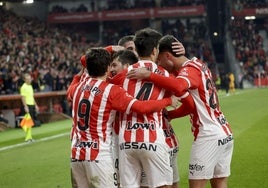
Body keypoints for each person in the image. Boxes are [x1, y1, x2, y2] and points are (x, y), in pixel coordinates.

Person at [127, 35, 234, 188]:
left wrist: (149, 75)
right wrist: (171, 115)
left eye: (160, 59)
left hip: (208, 134)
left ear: (167, 55)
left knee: (196, 184)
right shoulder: (198, 64)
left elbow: (178, 86)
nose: (159, 64)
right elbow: (191, 106)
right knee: (219, 181)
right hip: (224, 132)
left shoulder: (189, 70)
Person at [67, 47, 178, 188]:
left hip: (76, 155)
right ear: (107, 68)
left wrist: (109, 49)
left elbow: (83, 61)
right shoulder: (111, 90)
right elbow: (141, 107)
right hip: (98, 156)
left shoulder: (76, 87)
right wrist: (168, 101)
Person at [110, 28, 176, 188]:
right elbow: (182, 90)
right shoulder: (164, 75)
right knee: (164, 185)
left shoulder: (122, 75)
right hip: (153, 139)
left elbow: (104, 86)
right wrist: (169, 101)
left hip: (126, 142)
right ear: (155, 50)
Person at [20, 73, 41, 142]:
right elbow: (23, 98)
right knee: (28, 122)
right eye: (27, 79)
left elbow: (32, 97)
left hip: (31, 105)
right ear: (24, 80)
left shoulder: (30, 86)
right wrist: (25, 107)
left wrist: (36, 105)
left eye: (30, 79)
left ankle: (29, 137)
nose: (29, 80)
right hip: (27, 105)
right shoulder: (23, 87)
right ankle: (28, 138)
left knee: (30, 122)